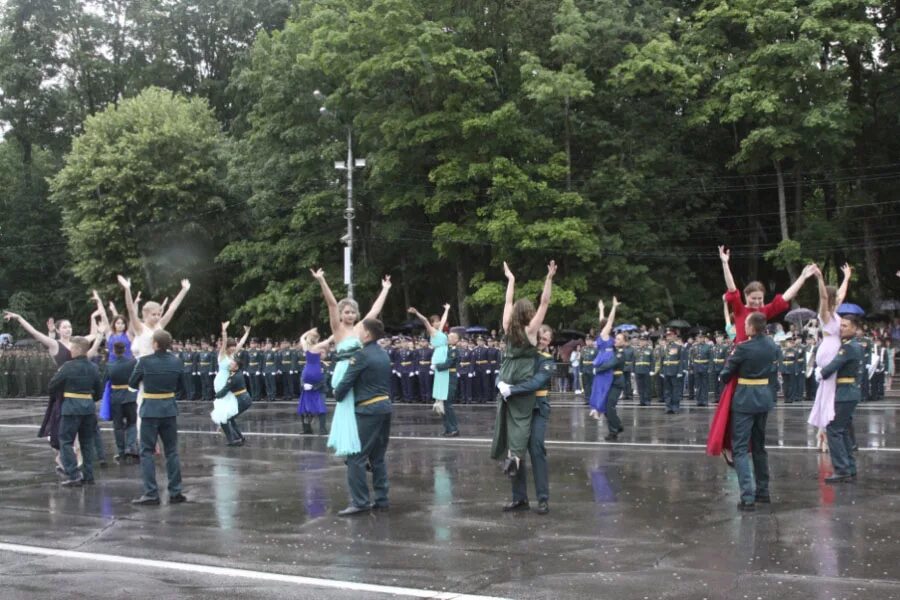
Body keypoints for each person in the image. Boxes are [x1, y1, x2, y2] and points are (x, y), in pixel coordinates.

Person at [707, 247, 817, 464]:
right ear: (747, 297)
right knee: (730, 409)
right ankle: (729, 447)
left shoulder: (763, 313)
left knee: (755, 412)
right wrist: (725, 263)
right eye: (754, 298)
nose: (758, 302)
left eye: (760, 298)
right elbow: (731, 288)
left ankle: (748, 447)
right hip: (739, 363)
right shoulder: (739, 309)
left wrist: (803, 277)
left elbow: (786, 296)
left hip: (756, 366)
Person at [3, 311, 102, 469]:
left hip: (77, 389)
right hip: (63, 390)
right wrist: (19, 318)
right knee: (62, 426)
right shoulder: (55, 344)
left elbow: (94, 334)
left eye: (69, 327)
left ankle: (74, 458)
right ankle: (66, 457)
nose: (68, 329)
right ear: (58, 330)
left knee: (77, 428)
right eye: (64, 327)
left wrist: (93, 317)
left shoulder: (77, 343)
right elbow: (35, 333)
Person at [311, 268, 391, 456]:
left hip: (360, 369)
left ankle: (360, 445)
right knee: (348, 408)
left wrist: (385, 289)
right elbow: (331, 304)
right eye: (346, 312)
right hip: (345, 370)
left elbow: (375, 310)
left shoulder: (359, 329)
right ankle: (350, 448)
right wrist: (322, 280)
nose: (350, 315)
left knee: (360, 408)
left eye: (353, 312)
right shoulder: (337, 329)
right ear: (341, 314)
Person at [491, 260, 555, 478]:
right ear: (528, 313)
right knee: (521, 419)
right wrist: (548, 279)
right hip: (520, 376)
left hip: (505, 371)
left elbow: (508, 301)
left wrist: (511, 279)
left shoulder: (507, 326)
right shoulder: (531, 330)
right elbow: (545, 302)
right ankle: (516, 457)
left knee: (505, 417)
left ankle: (506, 452)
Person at [332, 318, 393, 516]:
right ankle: (382, 498)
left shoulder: (361, 356)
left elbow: (345, 384)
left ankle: (360, 501)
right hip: (385, 407)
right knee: (377, 457)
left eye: (361, 330)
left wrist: (336, 393)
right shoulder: (383, 354)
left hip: (368, 410)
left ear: (367, 334)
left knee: (355, 457)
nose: (357, 333)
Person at [719, 312, 778, 511]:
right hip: (764, 398)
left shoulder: (742, 348)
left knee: (741, 449)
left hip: (745, 399)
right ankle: (763, 491)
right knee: (760, 447)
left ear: (752, 327)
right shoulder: (772, 346)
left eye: (746, 324)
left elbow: (726, 374)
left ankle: (747, 496)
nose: (744, 327)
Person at [498, 325, 555, 514]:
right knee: (516, 451)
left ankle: (543, 499)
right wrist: (500, 384)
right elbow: (502, 372)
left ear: (550, 342)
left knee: (536, 450)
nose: (541, 342)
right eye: (539, 338)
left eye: (545, 340)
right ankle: (519, 498)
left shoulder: (547, 361)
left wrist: (511, 390)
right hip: (518, 408)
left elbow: (536, 383)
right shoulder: (522, 355)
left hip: (537, 408)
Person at [128, 329, 187, 506]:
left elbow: (132, 384)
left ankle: (151, 493)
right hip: (169, 409)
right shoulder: (177, 362)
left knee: (146, 452)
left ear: (155, 344)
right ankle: (176, 491)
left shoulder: (144, 362)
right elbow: (181, 387)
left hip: (150, 410)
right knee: (171, 451)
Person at [48, 337, 104, 486]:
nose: (70, 350)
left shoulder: (68, 367)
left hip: (71, 408)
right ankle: (88, 475)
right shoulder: (94, 367)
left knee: (65, 441)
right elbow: (99, 392)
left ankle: (74, 474)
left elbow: (52, 386)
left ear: (78, 350)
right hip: (88, 408)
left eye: (72, 348)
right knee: (87, 442)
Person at [816, 315, 865, 483]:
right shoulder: (850, 345)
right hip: (848, 392)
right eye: (841, 325)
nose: (841, 328)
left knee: (834, 429)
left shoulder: (848, 347)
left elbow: (836, 364)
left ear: (855, 329)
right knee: (842, 430)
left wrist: (821, 373)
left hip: (844, 392)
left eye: (845, 326)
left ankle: (842, 469)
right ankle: (849, 467)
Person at [808, 264, 851, 446]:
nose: (836, 300)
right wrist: (819, 278)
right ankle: (824, 429)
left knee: (828, 392)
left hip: (834, 348)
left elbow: (841, 293)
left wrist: (847, 278)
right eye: (834, 299)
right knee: (828, 391)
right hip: (828, 350)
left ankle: (822, 429)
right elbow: (823, 296)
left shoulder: (834, 313)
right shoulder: (824, 314)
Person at [408, 304, 451, 415]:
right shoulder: (432, 331)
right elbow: (424, 320)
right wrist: (416, 312)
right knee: (441, 377)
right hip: (439, 354)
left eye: (438, 321)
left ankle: (439, 400)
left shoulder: (440, 330)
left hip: (443, 352)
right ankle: (438, 401)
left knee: (442, 378)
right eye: (436, 321)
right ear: (432, 323)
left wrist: (446, 309)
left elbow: (444, 319)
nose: (438, 322)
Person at [211, 322, 251, 441]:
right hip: (221, 381)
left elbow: (242, 343)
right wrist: (224, 331)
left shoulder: (233, 354)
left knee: (229, 406)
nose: (233, 347)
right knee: (225, 405)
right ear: (227, 347)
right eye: (231, 346)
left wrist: (247, 333)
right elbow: (223, 343)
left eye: (234, 345)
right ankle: (224, 425)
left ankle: (225, 425)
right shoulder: (222, 355)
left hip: (229, 381)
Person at [104, 342, 139, 463]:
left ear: (114, 351)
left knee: (118, 426)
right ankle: (131, 447)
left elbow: (105, 380)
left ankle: (121, 451)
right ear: (124, 350)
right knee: (132, 423)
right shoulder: (132, 362)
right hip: (130, 396)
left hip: (116, 398)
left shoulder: (110, 365)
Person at [588, 299, 619, 420]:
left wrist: (601, 309)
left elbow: (603, 320)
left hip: (602, 358)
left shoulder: (602, 334)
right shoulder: (604, 334)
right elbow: (609, 320)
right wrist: (614, 307)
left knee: (598, 386)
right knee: (604, 387)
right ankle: (597, 409)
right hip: (606, 359)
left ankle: (596, 408)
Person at [298, 328, 332, 435]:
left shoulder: (320, 363)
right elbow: (302, 377)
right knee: (305, 408)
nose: (322, 353)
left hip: (318, 388)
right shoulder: (317, 350)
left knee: (320, 406)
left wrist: (313, 387)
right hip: (309, 383)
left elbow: (324, 379)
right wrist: (304, 385)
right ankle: (307, 429)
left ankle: (322, 429)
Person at [595, 328, 627, 441]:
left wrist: (598, 369)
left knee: (610, 407)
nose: (616, 340)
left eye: (619, 339)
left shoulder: (620, 353)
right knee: (606, 407)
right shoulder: (612, 351)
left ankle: (616, 428)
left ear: (624, 342)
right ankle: (614, 429)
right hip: (608, 381)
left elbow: (611, 364)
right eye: (616, 338)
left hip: (616, 382)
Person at [215, 355, 254, 446]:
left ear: (236, 366)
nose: (230, 365)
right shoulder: (237, 372)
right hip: (244, 398)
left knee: (224, 419)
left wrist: (217, 395)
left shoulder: (233, 378)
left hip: (242, 400)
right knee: (230, 418)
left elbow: (224, 390)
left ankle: (233, 440)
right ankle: (239, 437)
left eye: (232, 364)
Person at [433, 331, 461, 436]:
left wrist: (437, 366)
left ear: (456, 340)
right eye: (448, 337)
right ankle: (447, 428)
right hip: (443, 377)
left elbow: (448, 363)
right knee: (442, 404)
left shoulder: (454, 351)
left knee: (448, 404)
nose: (448, 338)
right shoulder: (445, 349)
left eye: (451, 337)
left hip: (450, 378)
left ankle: (454, 428)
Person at [634, 336, 654, 406]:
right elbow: (633, 361)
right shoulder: (636, 350)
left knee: (647, 386)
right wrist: (632, 371)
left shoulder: (649, 350)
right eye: (641, 341)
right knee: (640, 387)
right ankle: (642, 401)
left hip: (646, 370)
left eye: (643, 341)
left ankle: (647, 400)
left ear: (646, 342)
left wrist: (652, 370)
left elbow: (652, 361)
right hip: (638, 370)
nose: (642, 342)